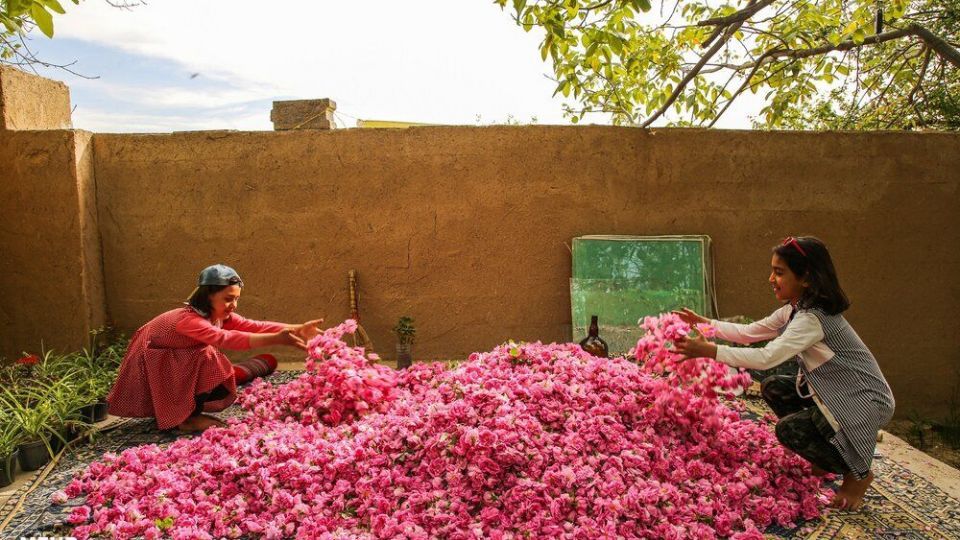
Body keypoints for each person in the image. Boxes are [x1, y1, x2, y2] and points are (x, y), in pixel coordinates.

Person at [671, 236, 895, 511]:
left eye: (779, 272)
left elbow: (767, 357)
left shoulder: (812, 319)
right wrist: (706, 324)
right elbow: (749, 333)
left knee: (788, 431)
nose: (770, 278)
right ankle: (824, 453)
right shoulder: (794, 310)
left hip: (864, 401)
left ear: (807, 278)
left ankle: (856, 473)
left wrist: (710, 351)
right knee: (774, 386)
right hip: (836, 394)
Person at [107, 264, 322, 433]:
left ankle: (182, 410)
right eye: (228, 299)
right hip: (154, 359)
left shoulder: (216, 315)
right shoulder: (189, 320)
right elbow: (225, 339)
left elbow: (253, 325)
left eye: (236, 299)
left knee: (208, 358)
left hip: (176, 356)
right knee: (209, 357)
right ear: (208, 296)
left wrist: (297, 329)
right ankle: (187, 420)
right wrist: (278, 339)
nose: (233, 305)